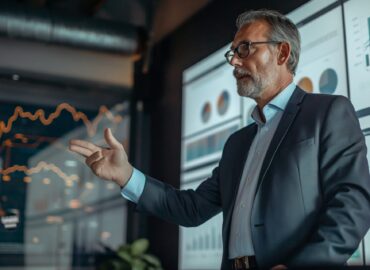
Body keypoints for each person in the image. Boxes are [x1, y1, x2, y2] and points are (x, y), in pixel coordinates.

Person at [69, 9, 370, 270]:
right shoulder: (238, 143)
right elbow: (192, 208)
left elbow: (353, 204)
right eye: (233, 53)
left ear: (282, 53)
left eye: (245, 49)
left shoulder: (327, 112)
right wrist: (126, 176)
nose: (234, 63)